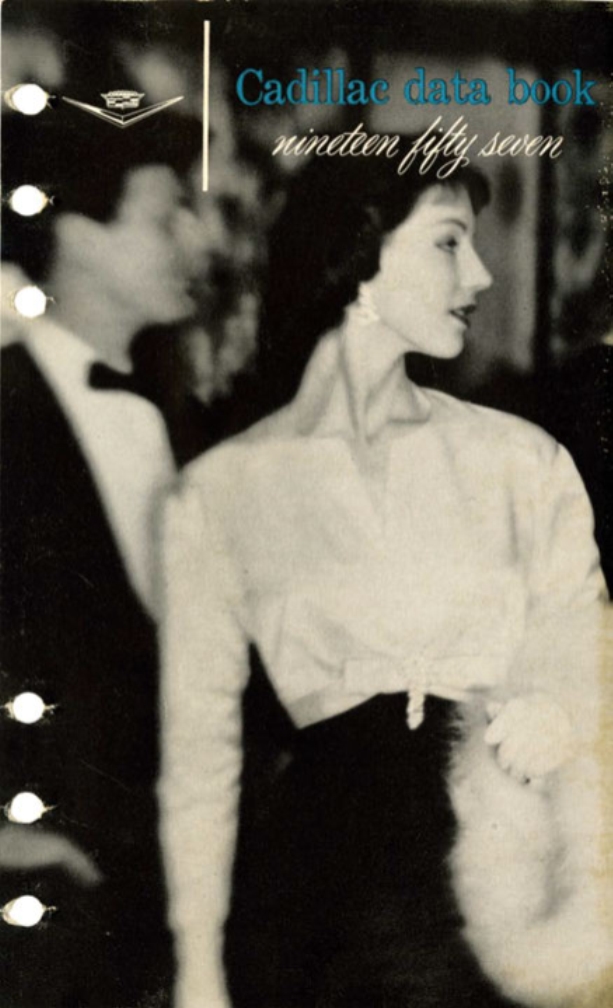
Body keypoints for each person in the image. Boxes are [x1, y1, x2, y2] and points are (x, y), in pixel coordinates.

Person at [160, 153, 611, 1008]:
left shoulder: (520, 459)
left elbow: (583, 650)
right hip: (309, 893)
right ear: (360, 256)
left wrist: (556, 710)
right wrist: (197, 974)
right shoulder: (223, 488)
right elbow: (198, 756)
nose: (478, 276)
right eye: (448, 243)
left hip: (495, 885)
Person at [1, 109, 206, 1007]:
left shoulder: (189, 418)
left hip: (166, 902)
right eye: (166, 216)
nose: (197, 239)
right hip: (44, 914)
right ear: (79, 235)